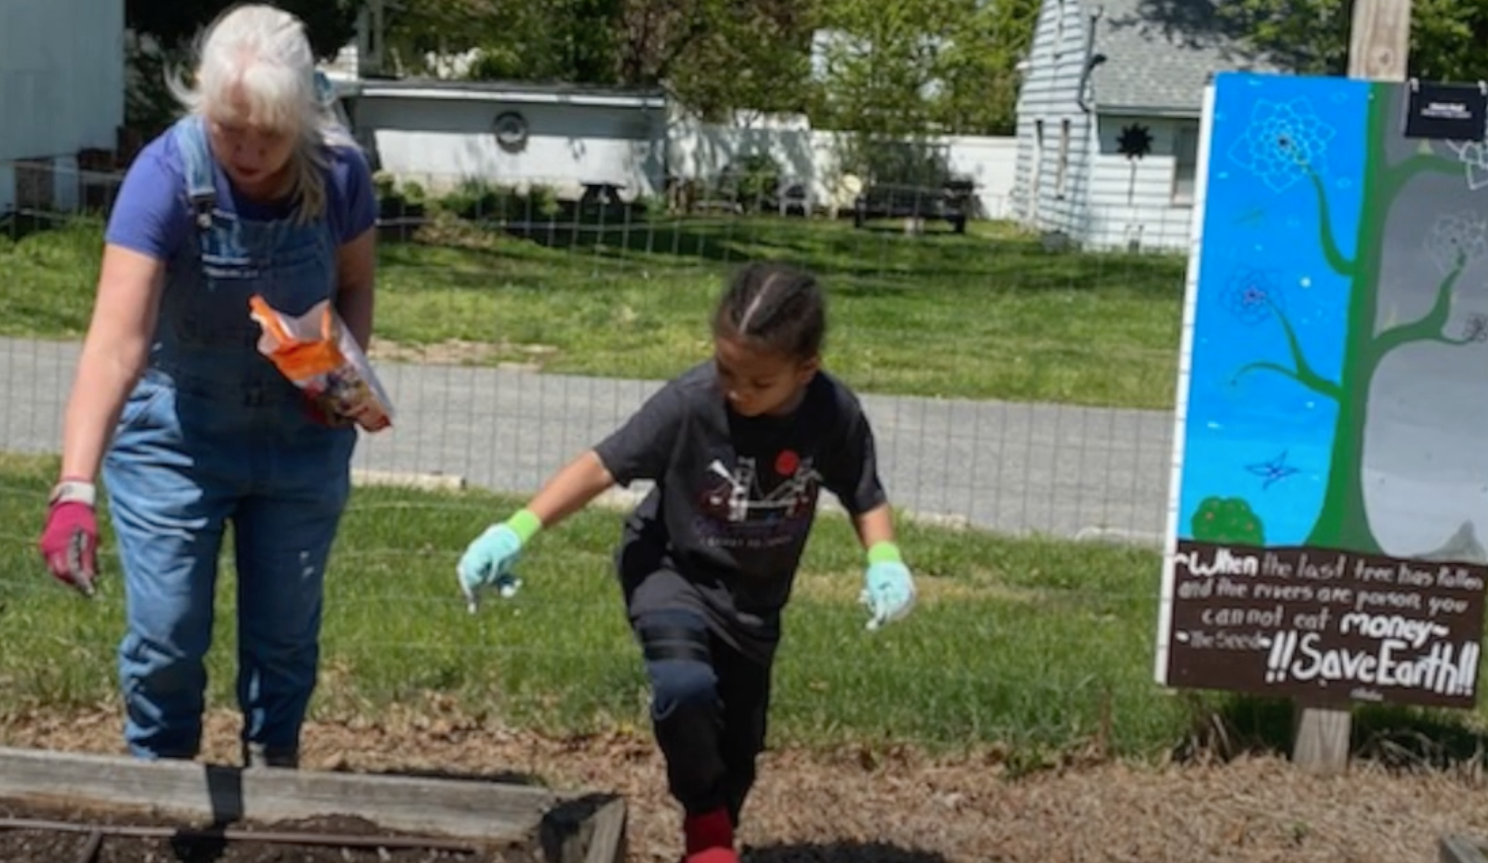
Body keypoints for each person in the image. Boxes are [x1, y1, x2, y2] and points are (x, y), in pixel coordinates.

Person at [456, 261, 918, 863]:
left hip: (753, 598)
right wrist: (514, 531)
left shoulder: (833, 414)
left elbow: (864, 492)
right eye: (727, 370)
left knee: (739, 745)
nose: (737, 391)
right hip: (669, 566)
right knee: (685, 687)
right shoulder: (691, 403)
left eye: (759, 383)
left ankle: (716, 817)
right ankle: (705, 825)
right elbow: (603, 464)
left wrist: (885, 561)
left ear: (808, 369)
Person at [36, 4, 378, 768]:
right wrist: (73, 487)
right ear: (203, 103)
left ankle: (274, 775)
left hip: (300, 440)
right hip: (177, 439)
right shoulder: (165, 176)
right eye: (231, 130)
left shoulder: (340, 173)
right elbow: (117, 343)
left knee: (285, 635)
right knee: (166, 633)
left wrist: (341, 376)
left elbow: (355, 285)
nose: (249, 150)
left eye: (270, 134)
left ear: (302, 117)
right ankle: (158, 781)